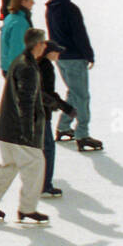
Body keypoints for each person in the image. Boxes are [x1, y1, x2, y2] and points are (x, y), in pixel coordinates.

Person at [0, 28, 51, 225]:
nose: (45, 46)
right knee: (36, 164)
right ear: (37, 45)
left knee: (10, 165)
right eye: (43, 43)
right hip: (17, 130)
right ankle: (27, 209)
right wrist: (27, 131)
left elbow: (29, 96)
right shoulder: (27, 67)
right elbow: (25, 101)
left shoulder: (21, 61)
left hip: (6, 127)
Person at [46, 0, 101, 151]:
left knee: (73, 93)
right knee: (82, 96)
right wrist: (89, 54)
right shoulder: (71, 9)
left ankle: (63, 127)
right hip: (75, 57)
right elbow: (79, 34)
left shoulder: (51, 8)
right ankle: (82, 134)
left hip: (60, 57)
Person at [37, 40, 75, 199]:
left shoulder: (36, 63)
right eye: (56, 51)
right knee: (48, 149)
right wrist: (65, 107)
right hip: (41, 113)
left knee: (40, 149)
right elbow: (47, 93)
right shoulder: (45, 66)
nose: (58, 54)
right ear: (48, 52)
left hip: (34, 113)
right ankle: (44, 186)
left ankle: (39, 183)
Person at [0, 0, 33, 75]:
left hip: (7, 65)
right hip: (15, 68)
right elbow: (16, 47)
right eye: (31, 0)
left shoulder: (10, 18)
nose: (33, 3)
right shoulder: (20, 22)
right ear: (23, 2)